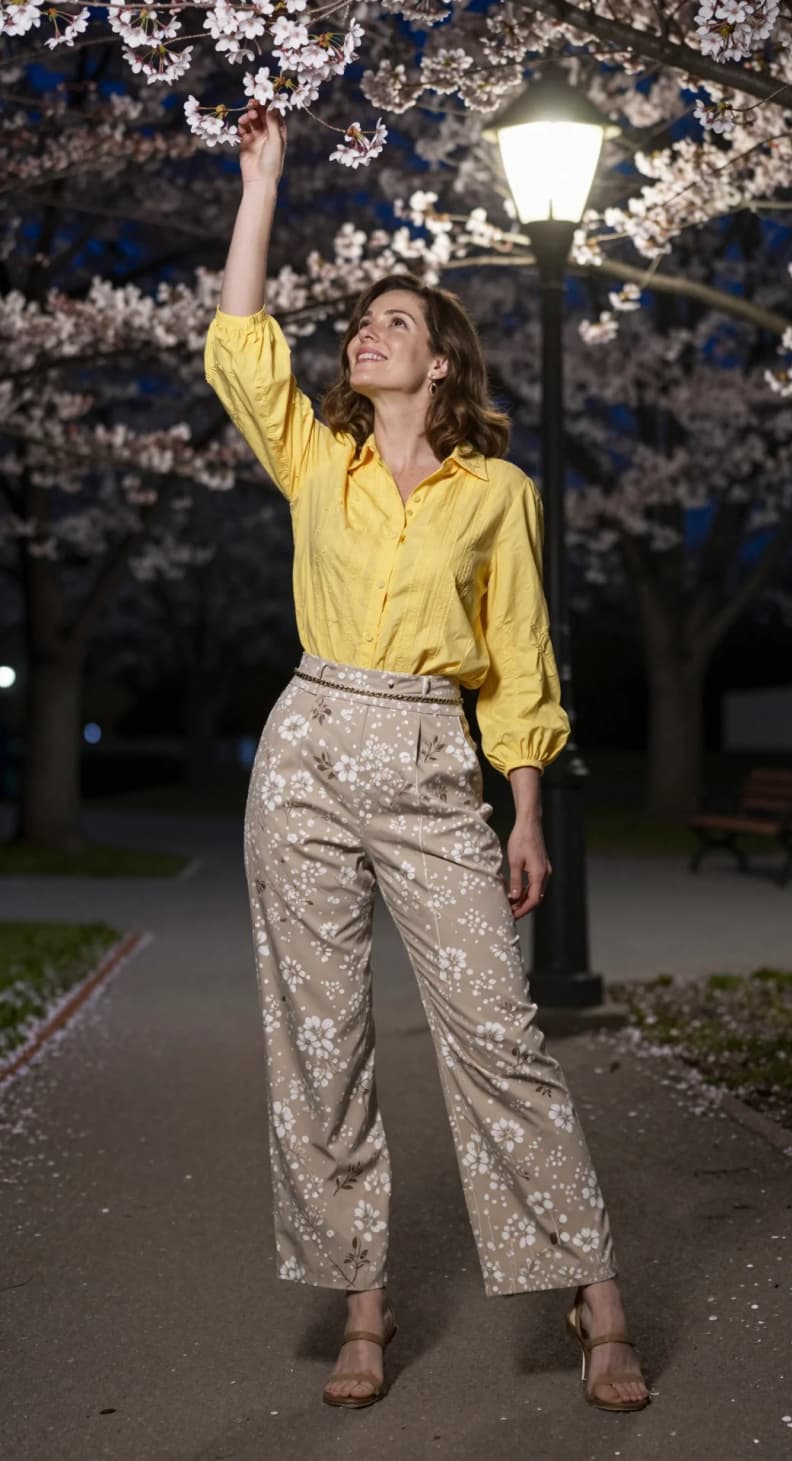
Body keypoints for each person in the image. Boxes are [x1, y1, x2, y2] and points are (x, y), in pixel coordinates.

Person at [204, 99, 650, 1415]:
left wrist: (522, 810)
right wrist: (262, 183)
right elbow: (240, 347)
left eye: (397, 320)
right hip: (306, 756)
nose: (369, 331)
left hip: (429, 760)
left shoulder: (495, 494)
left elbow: (518, 658)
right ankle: (362, 1300)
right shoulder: (320, 462)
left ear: (441, 362)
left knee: (499, 1033)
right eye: (366, 322)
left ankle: (596, 1288)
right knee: (321, 1040)